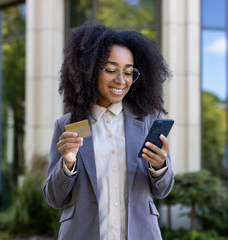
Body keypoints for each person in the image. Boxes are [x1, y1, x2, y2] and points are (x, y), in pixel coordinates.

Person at [43, 24, 174, 240]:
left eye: (129, 72)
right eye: (111, 70)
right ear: (90, 69)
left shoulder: (150, 121)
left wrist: (160, 166)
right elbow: (54, 199)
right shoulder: (70, 125)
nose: (121, 80)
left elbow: (163, 190)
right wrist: (67, 164)